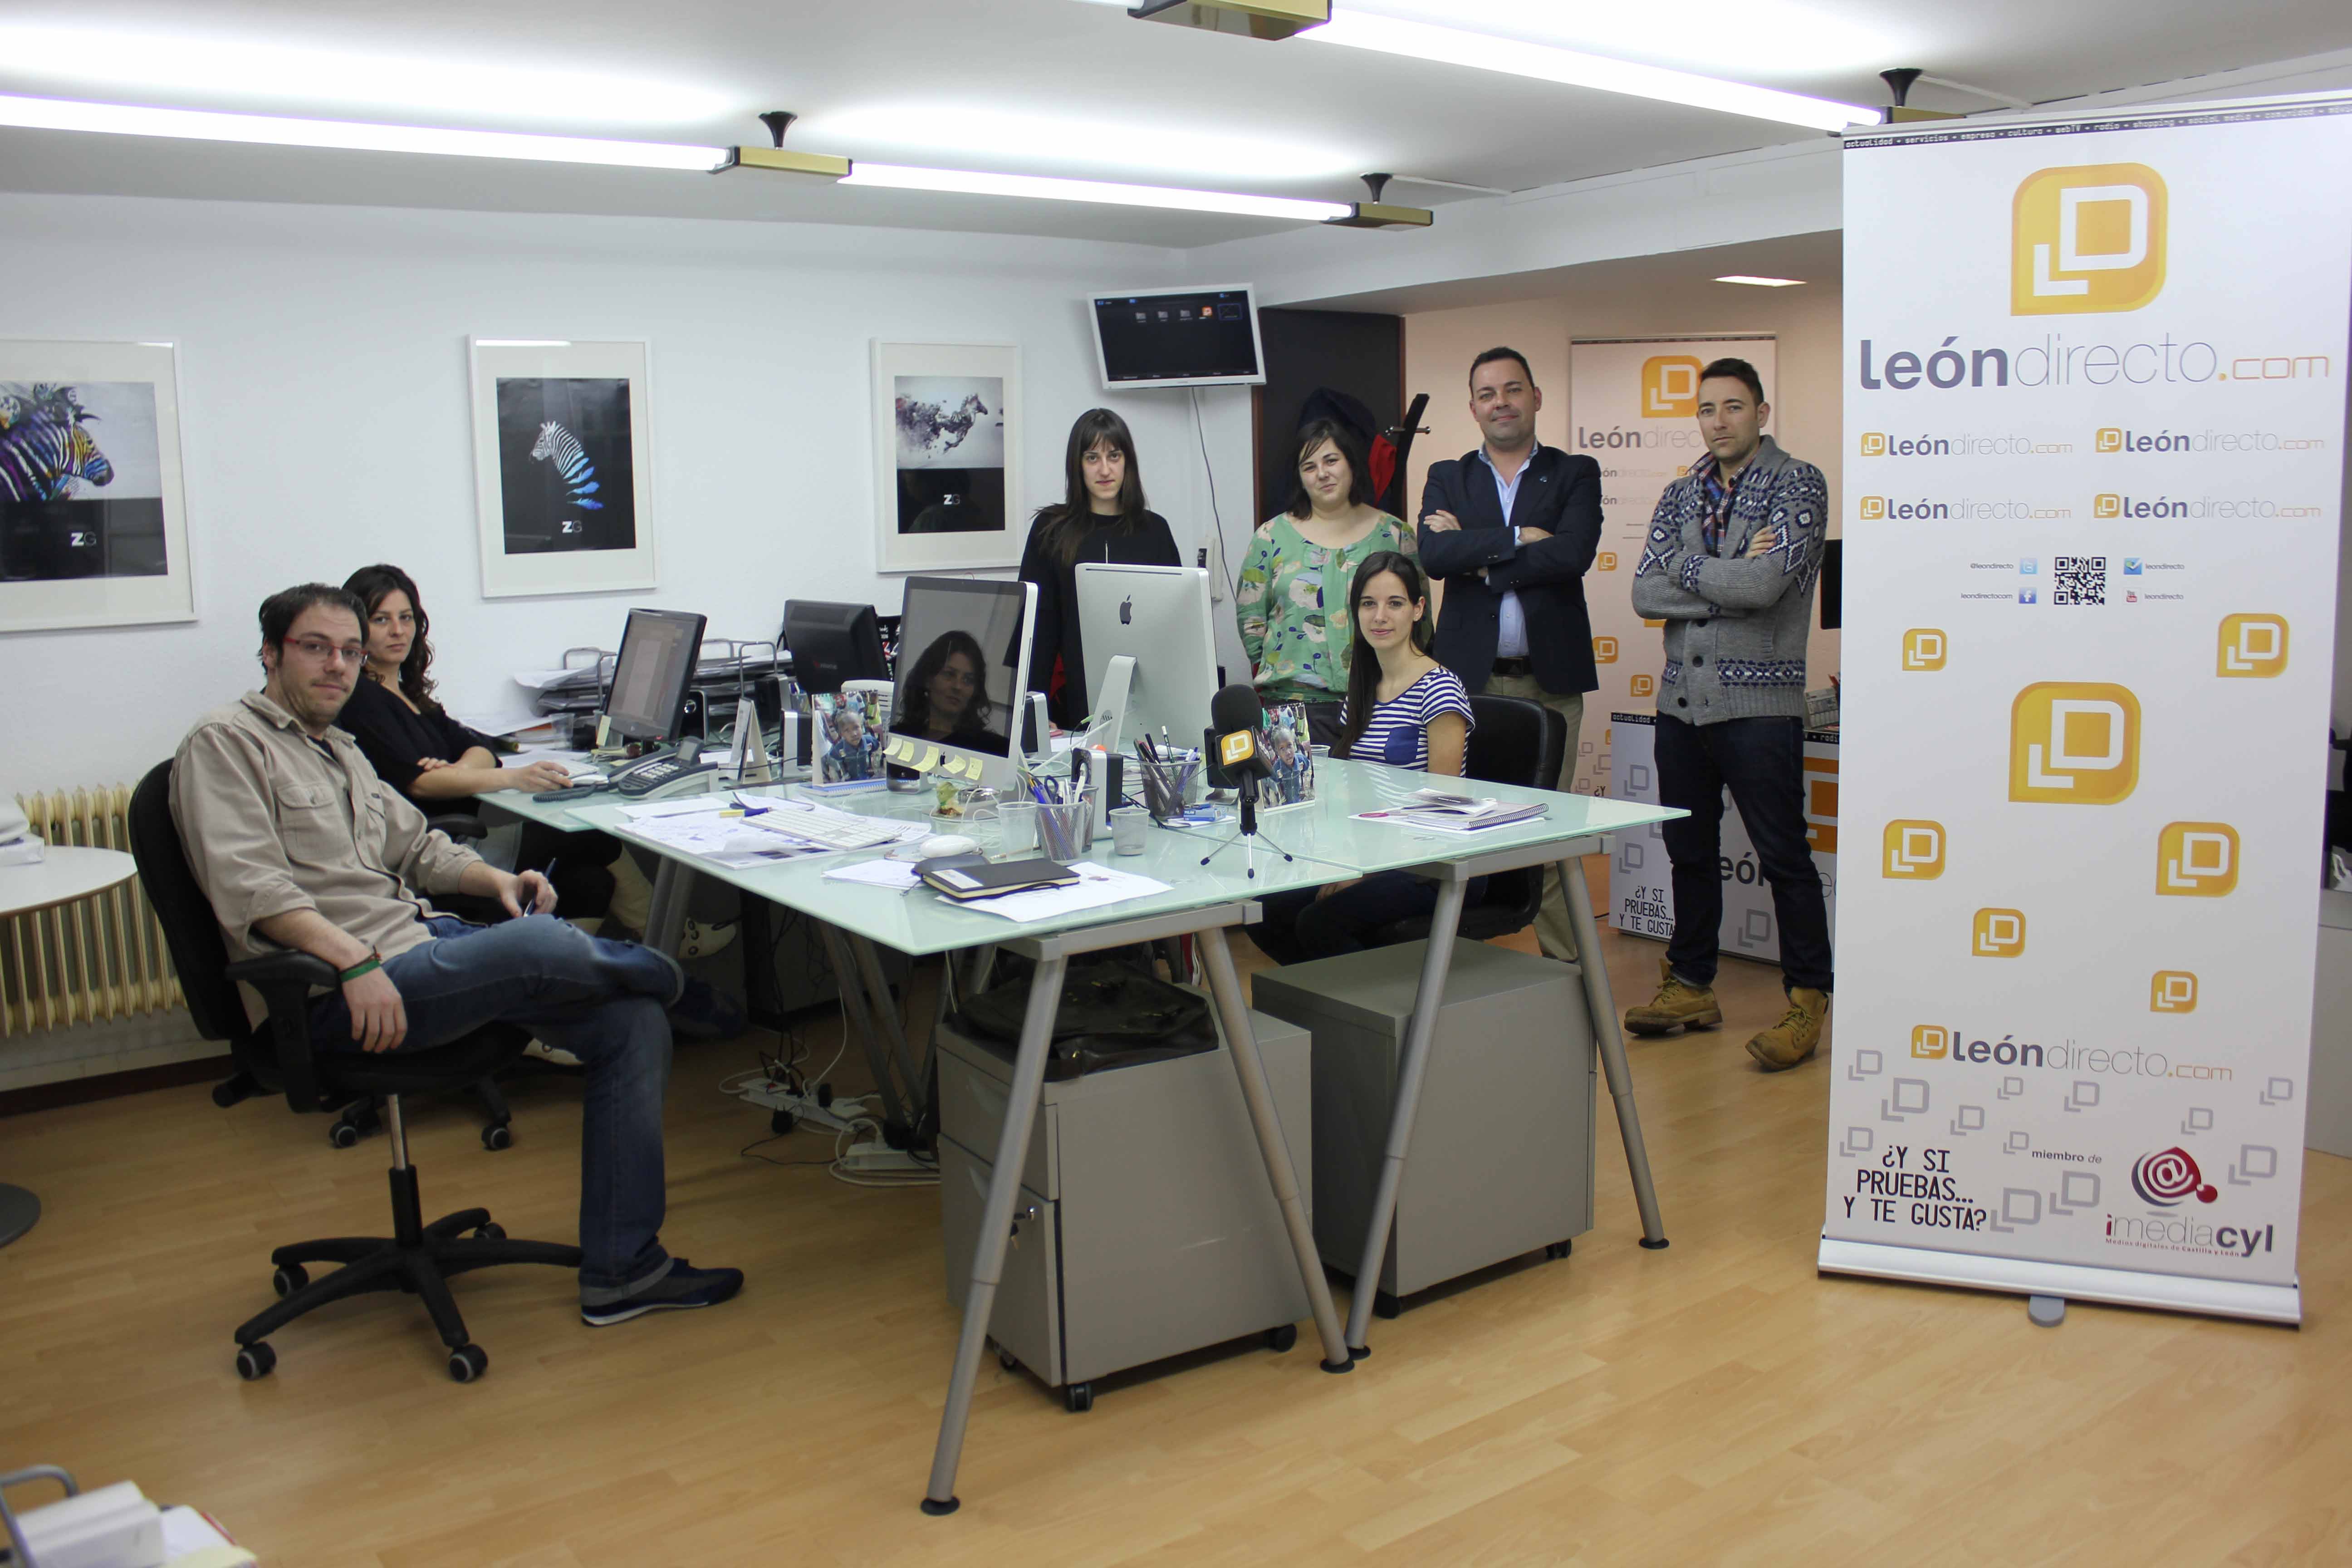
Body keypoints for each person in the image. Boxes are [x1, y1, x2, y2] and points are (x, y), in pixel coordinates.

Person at [170, 583, 746, 1324]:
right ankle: (671, 977)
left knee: (630, 1023)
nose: (338, 665)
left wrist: (496, 880)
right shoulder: (225, 743)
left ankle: (623, 1271)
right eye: (316, 648)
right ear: (271, 653)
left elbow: (419, 848)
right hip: (338, 988)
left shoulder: (338, 747)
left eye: (349, 651)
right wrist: (352, 962)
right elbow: (251, 889)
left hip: (421, 944)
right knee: (542, 942)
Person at [1626, 358, 1832, 1071]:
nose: (1718, 422)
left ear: (1761, 412)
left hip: (1760, 707)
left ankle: (1807, 997)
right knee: (1689, 852)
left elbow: (1766, 585)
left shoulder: (1799, 483)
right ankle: (1691, 985)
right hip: (1681, 704)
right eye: (1707, 409)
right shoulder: (1681, 493)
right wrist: (1729, 572)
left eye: (1734, 407)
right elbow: (1644, 593)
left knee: (1784, 857)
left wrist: (1689, 567)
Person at [335, 566, 643, 942]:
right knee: (593, 838)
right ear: (356, 627)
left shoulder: (407, 693)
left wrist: (457, 771)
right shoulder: (361, 697)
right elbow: (419, 784)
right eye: (381, 620)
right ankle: (673, 935)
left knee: (590, 882)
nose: (398, 631)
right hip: (438, 848)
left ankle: (572, 967)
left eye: (406, 617)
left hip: (461, 836)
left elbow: (481, 747)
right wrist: (513, 778)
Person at [1418, 347, 1604, 965]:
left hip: (1549, 684)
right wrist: (1520, 538)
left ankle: (1567, 968)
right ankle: (1449, 964)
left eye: (1513, 389)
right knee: (1455, 824)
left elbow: (1573, 554)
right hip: (1466, 686)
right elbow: (1434, 557)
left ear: (1536, 397)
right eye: (1488, 393)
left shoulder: (1574, 472)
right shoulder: (1448, 476)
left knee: (1548, 829)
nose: (1501, 402)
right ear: (1473, 408)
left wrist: (1479, 557)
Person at [1248, 552, 1480, 964]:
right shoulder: (1365, 686)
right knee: (1263, 908)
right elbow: (1355, 788)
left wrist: (1367, 873)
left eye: (1395, 604)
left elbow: (1444, 810)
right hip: (1373, 850)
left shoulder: (1440, 688)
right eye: (1368, 604)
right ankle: (1327, 993)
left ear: (1418, 610)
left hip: (1431, 862)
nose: (1380, 616)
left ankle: (1368, 999)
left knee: (1319, 922)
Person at [1236, 419, 1418, 714]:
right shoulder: (1270, 537)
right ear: (1300, 478)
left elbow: (1420, 621)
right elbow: (1251, 623)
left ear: (1351, 464)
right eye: (1309, 467)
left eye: (1331, 461)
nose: (1322, 473)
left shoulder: (1395, 536)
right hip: (1292, 705)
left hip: (1382, 700)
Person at [1018, 409, 1180, 728]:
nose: (1105, 470)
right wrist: (1034, 711)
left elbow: (1175, 628)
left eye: (1114, 456)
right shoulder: (1051, 530)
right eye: (1092, 458)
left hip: (1148, 699)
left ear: (1127, 461)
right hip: (1075, 702)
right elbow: (1035, 630)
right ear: (1077, 465)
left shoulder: (1155, 531)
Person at [899, 630, 997, 744]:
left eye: (968, 680)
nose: (958, 687)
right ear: (928, 679)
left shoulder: (991, 747)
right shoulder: (900, 735)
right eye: (949, 675)